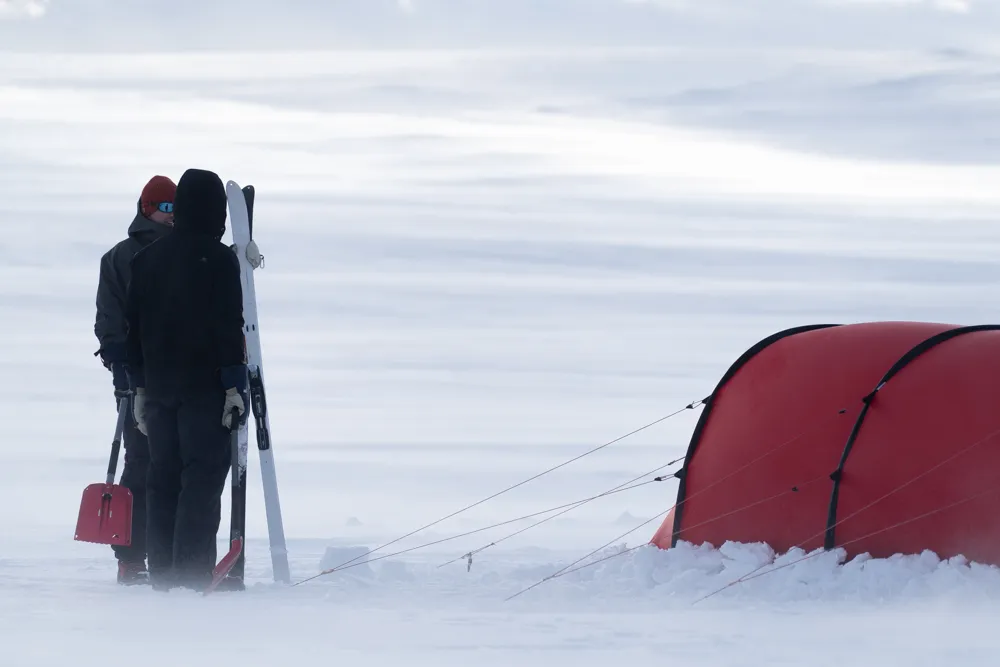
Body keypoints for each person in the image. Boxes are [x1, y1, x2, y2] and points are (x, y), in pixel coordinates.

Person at [124, 167, 248, 592]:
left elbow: (133, 330)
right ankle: (191, 576)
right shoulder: (220, 260)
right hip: (205, 391)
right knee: (202, 478)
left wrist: (139, 386)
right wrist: (234, 385)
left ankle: (162, 574)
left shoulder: (146, 259)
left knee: (162, 477)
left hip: (159, 389)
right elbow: (229, 326)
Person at [94, 174, 176, 585]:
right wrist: (119, 362)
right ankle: (129, 556)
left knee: (175, 463)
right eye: (166, 207)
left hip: (178, 374)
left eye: (177, 208)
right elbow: (108, 316)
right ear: (148, 209)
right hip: (135, 377)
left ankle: (169, 553)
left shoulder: (187, 253)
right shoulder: (119, 257)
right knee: (142, 460)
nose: (172, 215)